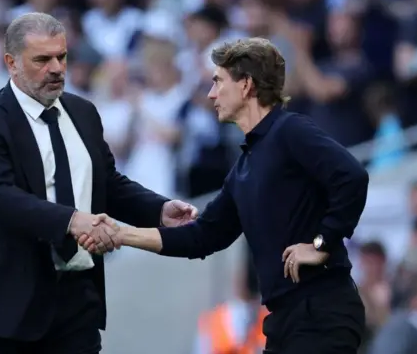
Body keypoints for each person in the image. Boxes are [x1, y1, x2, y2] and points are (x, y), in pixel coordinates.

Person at [80, 37, 369, 353]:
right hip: (284, 319)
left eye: (218, 82)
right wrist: (122, 234)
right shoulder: (244, 165)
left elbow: (351, 177)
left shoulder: (289, 130)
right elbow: (203, 236)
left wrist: (322, 243)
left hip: (321, 311)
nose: (211, 93)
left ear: (246, 85)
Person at [0, 12, 198, 354]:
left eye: (61, 57)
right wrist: (71, 220)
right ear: (11, 63)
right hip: (4, 307)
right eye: (42, 59)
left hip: (76, 299)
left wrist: (159, 209)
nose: (56, 68)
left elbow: (107, 183)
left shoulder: (83, 112)